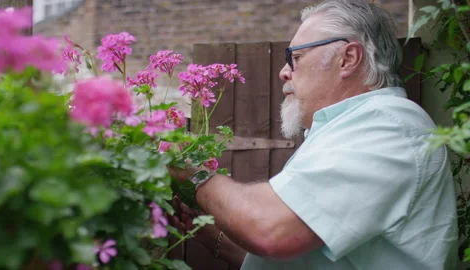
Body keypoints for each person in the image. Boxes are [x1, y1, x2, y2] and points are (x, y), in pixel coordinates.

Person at [170, 0, 458, 269]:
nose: (284, 71)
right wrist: (209, 235)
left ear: (348, 58)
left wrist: (192, 176)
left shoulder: (388, 126)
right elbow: (298, 257)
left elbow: (270, 229)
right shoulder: (350, 128)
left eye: (295, 56)